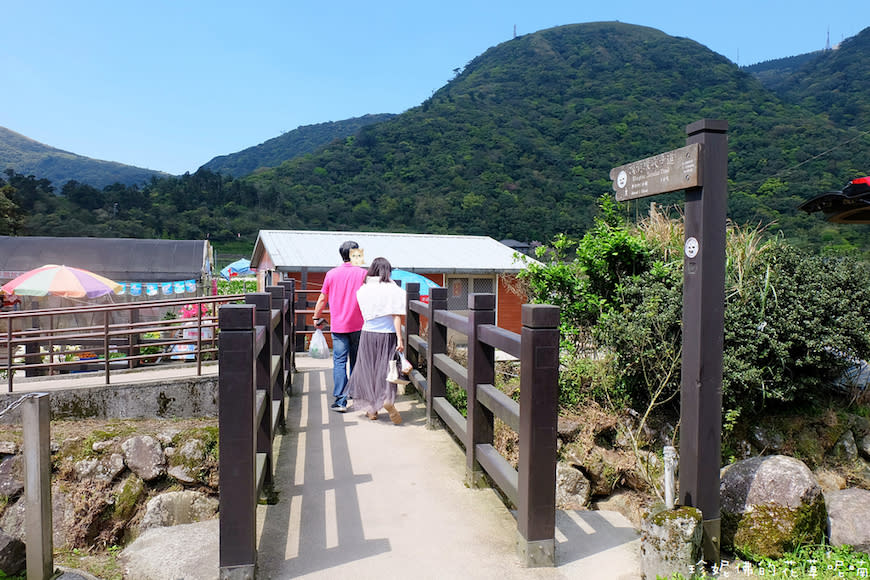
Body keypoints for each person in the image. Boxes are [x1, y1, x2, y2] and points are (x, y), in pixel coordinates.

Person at [347, 257, 407, 424]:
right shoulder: (393, 289)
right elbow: (396, 316)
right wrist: (400, 339)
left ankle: (372, 410)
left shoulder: (364, 289)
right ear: (388, 271)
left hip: (367, 333)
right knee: (388, 370)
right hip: (387, 335)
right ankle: (388, 400)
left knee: (368, 370)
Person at [312, 241, 367, 412]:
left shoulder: (331, 274)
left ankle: (341, 401)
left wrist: (316, 317)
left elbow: (322, 299)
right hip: (359, 324)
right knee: (357, 361)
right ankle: (357, 395)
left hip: (339, 326)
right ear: (355, 254)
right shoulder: (363, 273)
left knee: (339, 361)